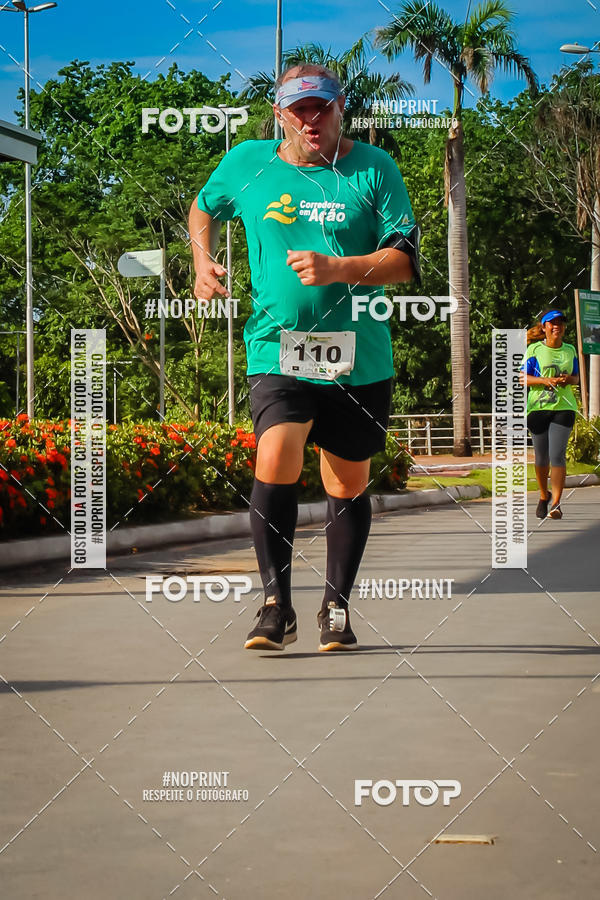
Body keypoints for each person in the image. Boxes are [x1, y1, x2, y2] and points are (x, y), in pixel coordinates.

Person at [189, 63, 419, 651]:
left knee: (346, 481)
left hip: (359, 355)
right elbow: (203, 207)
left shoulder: (375, 168)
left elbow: (403, 262)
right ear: (279, 115)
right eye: (299, 110)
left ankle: (335, 607)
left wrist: (339, 268)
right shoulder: (247, 162)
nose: (311, 120)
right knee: (275, 454)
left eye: (322, 108)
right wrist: (201, 261)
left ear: (341, 108)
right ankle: (275, 606)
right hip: (276, 346)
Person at [524, 309, 579, 519]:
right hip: (538, 408)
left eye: (561, 323)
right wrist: (545, 381)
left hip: (564, 408)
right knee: (541, 457)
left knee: (557, 455)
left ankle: (556, 503)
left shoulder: (570, 350)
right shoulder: (534, 350)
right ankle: (543, 495)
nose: (558, 326)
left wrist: (568, 380)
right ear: (544, 327)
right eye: (553, 323)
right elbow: (523, 378)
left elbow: (576, 378)